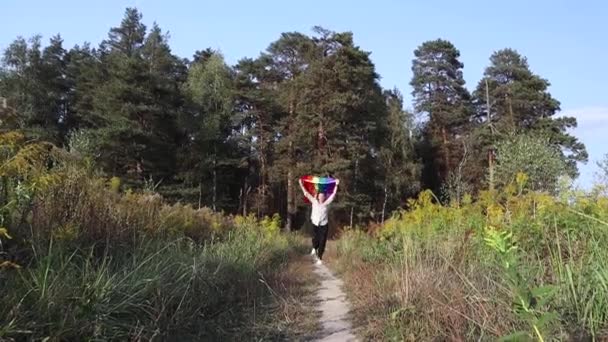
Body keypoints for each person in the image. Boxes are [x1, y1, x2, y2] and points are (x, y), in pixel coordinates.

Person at [298, 177, 339, 265]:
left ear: (324, 197)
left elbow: (333, 195)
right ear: (317, 196)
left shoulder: (326, 203)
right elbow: (306, 193)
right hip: (315, 223)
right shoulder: (314, 201)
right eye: (320, 196)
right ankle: (314, 248)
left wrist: (336, 184)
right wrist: (301, 184)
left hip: (324, 224)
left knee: (322, 241)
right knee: (315, 239)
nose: (322, 197)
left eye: (323, 196)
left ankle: (320, 258)